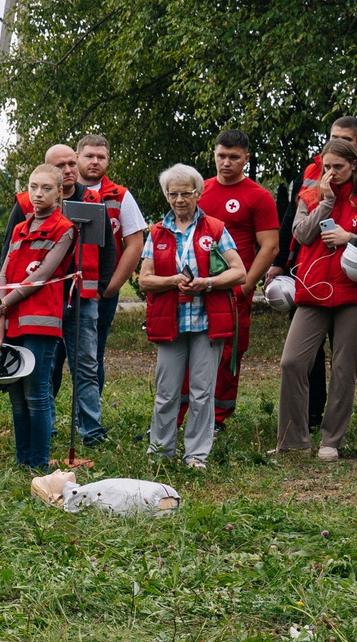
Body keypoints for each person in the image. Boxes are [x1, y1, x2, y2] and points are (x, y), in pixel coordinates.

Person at [276, 139, 357, 460]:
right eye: (326, 167)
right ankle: (293, 441)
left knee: (343, 368)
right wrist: (325, 203)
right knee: (292, 362)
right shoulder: (309, 196)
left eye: (338, 167)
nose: (331, 173)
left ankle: (331, 441)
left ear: (354, 165)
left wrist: (351, 238)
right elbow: (301, 235)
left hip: (355, 293)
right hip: (313, 289)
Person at [138, 165, 245, 469]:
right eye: (173, 194)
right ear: (166, 195)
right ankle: (160, 453)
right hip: (170, 321)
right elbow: (145, 280)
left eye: (186, 193)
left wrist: (207, 283)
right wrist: (173, 281)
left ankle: (196, 456)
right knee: (166, 392)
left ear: (198, 193)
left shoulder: (215, 229)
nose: (179, 200)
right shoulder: (157, 232)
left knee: (202, 393)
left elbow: (239, 272)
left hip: (207, 322)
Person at [0, 165, 79, 470]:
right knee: (16, 394)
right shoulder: (20, 228)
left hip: (40, 322)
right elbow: (4, 272)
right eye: (33, 187)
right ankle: (22, 461)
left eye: (46, 188)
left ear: (59, 192)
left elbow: (41, 275)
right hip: (12, 319)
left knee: (36, 393)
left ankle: (39, 464)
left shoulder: (65, 228)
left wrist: (2, 306)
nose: (38, 194)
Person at [69, 133, 148, 446]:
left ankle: (87, 422)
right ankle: (48, 423)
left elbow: (135, 243)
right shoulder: (61, 190)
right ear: (77, 157)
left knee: (92, 357)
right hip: (60, 292)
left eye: (101, 157)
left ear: (108, 160)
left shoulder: (120, 196)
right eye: (89, 156)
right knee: (53, 359)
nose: (95, 162)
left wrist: (111, 287)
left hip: (99, 292)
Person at [199, 129, 280, 430]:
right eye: (221, 156)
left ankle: (218, 418)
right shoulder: (199, 190)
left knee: (228, 353)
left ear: (246, 158)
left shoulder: (258, 196)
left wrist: (245, 287)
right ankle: (186, 414)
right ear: (214, 155)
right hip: (198, 288)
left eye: (234, 157)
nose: (226, 162)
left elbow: (270, 247)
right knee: (191, 351)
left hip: (234, 291)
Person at [34, 143, 108, 436]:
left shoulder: (92, 200)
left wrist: (101, 288)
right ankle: (46, 427)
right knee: (45, 365)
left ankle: (91, 429)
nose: (67, 170)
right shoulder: (28, 203)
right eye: (59, 166)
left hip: (82, 299)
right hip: (43, 299)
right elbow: (10, 251)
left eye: (71, 164)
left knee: (86, 366)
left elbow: (108, 249)